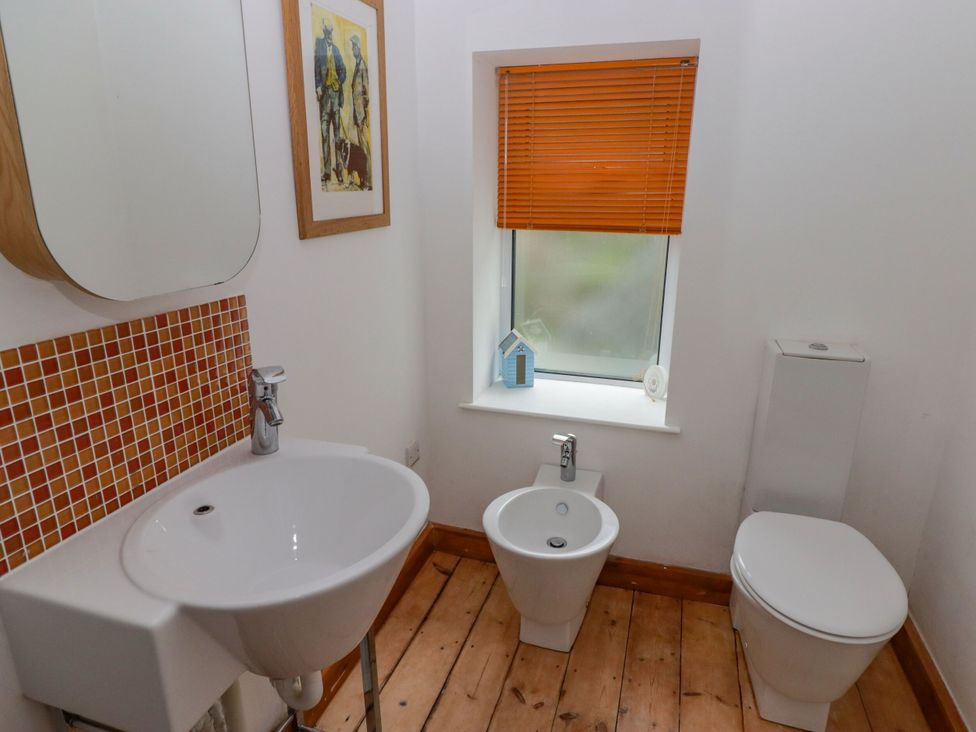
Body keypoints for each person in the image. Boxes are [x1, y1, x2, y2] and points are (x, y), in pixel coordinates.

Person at [314, 19, 346, 185]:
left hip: (335, 97)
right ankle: (327, 172)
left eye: (331, 33)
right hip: (324, 97)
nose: (329, 35)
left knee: (337, 137)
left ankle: (339, 170)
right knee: (325, 134)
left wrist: (338, 83)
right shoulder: (319, 49)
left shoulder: (336, 50)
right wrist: (318, 86)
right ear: (324, 33)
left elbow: (344, 71)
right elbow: (315, 71)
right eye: (327, 32)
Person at [349, 34, 371, 188]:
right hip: (358, 115)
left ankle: (367, 180)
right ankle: (364, 180)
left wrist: (364, 115)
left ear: (358, 47)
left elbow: (367, 93)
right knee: (362, 148)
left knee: (364, 150)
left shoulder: (362, 66)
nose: (352, 49)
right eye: (351, 47)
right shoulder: (357, 65)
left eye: (354, 47)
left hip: (361, 114)